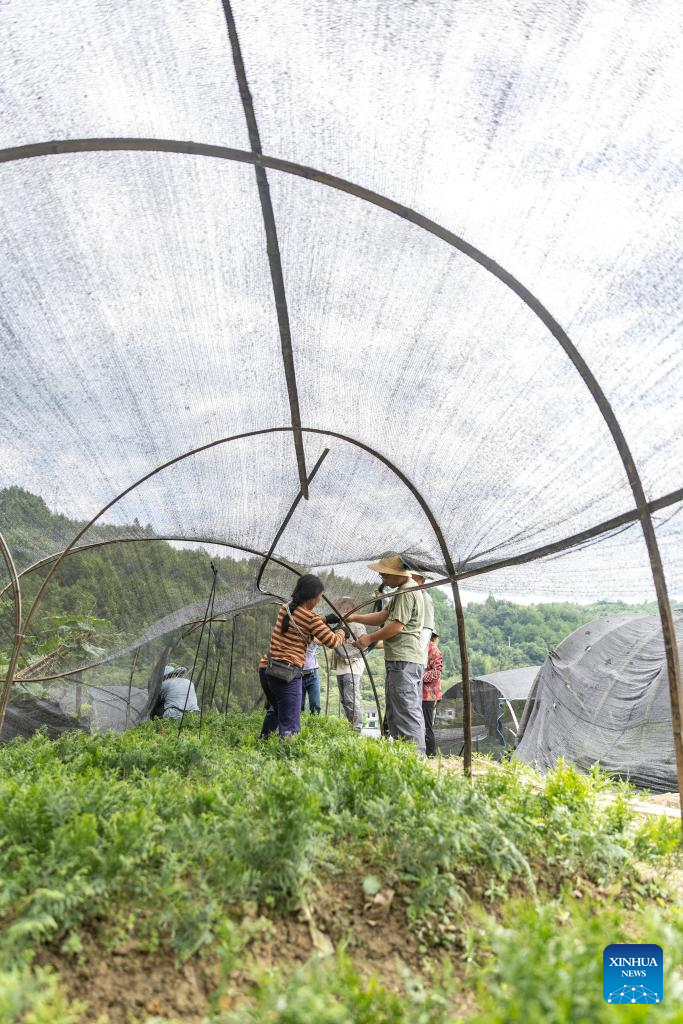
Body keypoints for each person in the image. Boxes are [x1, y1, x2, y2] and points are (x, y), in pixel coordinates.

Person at [347, 555, 426, 754]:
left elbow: (396, 626)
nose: (382, 577)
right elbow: (383, 616)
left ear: (396, 574)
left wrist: (369, 638)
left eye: (384, 574)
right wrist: (355, 616)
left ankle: (415, 757)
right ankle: (403, 753)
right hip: (399, 660)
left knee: (406, 710)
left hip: (404, 660)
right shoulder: (401, 592)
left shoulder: (407, 592)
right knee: (397, 710)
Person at [260, 574, 346, 739]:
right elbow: (333, 642)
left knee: (277, 710)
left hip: (268, 669)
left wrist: (324, 620)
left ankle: (263, 742)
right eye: (320, 597)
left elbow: (301, 621)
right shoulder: (311, 618)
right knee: (290, 725)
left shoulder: (286, 608)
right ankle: (288, 759)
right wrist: (342, 631)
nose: (319, 601)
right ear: (312, 597)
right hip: (287, 673)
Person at [333, 597, 368, 731]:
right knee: (344, 699)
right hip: (341, 668)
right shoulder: (338, 625)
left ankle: (356, 729)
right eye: (340, 607)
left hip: (353, 667)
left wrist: (347, 657)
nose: (342, 610)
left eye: (344, 608)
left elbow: (363, 646)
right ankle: (351, 727)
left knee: (351, 699)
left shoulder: (358, 625)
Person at [422, 631, 444, 757]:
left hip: (428, 694)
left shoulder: (433, 650)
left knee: (426, 725)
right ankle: (428, 753)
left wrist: (419, 677)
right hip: (425, 693)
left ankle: (430, 753)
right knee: (425, 724)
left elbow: (437, 673)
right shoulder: (426, 648)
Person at [301, 642, 321, 715]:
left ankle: (314, 723)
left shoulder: (314, 639)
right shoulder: (297, 640)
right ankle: (298, 724)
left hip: (313, 674)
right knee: (298, 705)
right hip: (299, 675)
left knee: (315, 704)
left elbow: (323, 640)